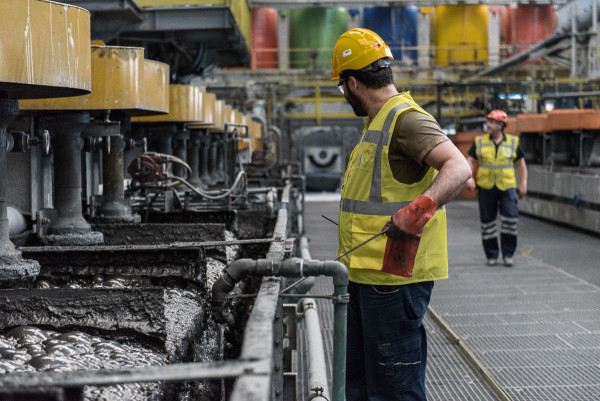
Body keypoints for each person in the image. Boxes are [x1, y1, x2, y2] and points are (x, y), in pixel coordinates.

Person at [331, 28, 471, 401]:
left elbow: (458, 168)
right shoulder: (377, 124)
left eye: (341, 88)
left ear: (353, 83)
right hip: (365, 277)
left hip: (392, 282)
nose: (344, 96)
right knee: (360, 387)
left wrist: (417, 210)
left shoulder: (405, 120)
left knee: (394, 392)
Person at [465, 110, 528, 267]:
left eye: (492, 122)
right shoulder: (480, 141)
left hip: (508, 187)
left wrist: (523, 183)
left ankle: (508, 255)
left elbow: (521, 164)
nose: (488, 125)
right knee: (488, 223)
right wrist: (469, 177)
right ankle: (491, 255)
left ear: (501, 125)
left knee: (510, 221)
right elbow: (470, 160)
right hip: (486, 187)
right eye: (488, 121)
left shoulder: (513, 142)